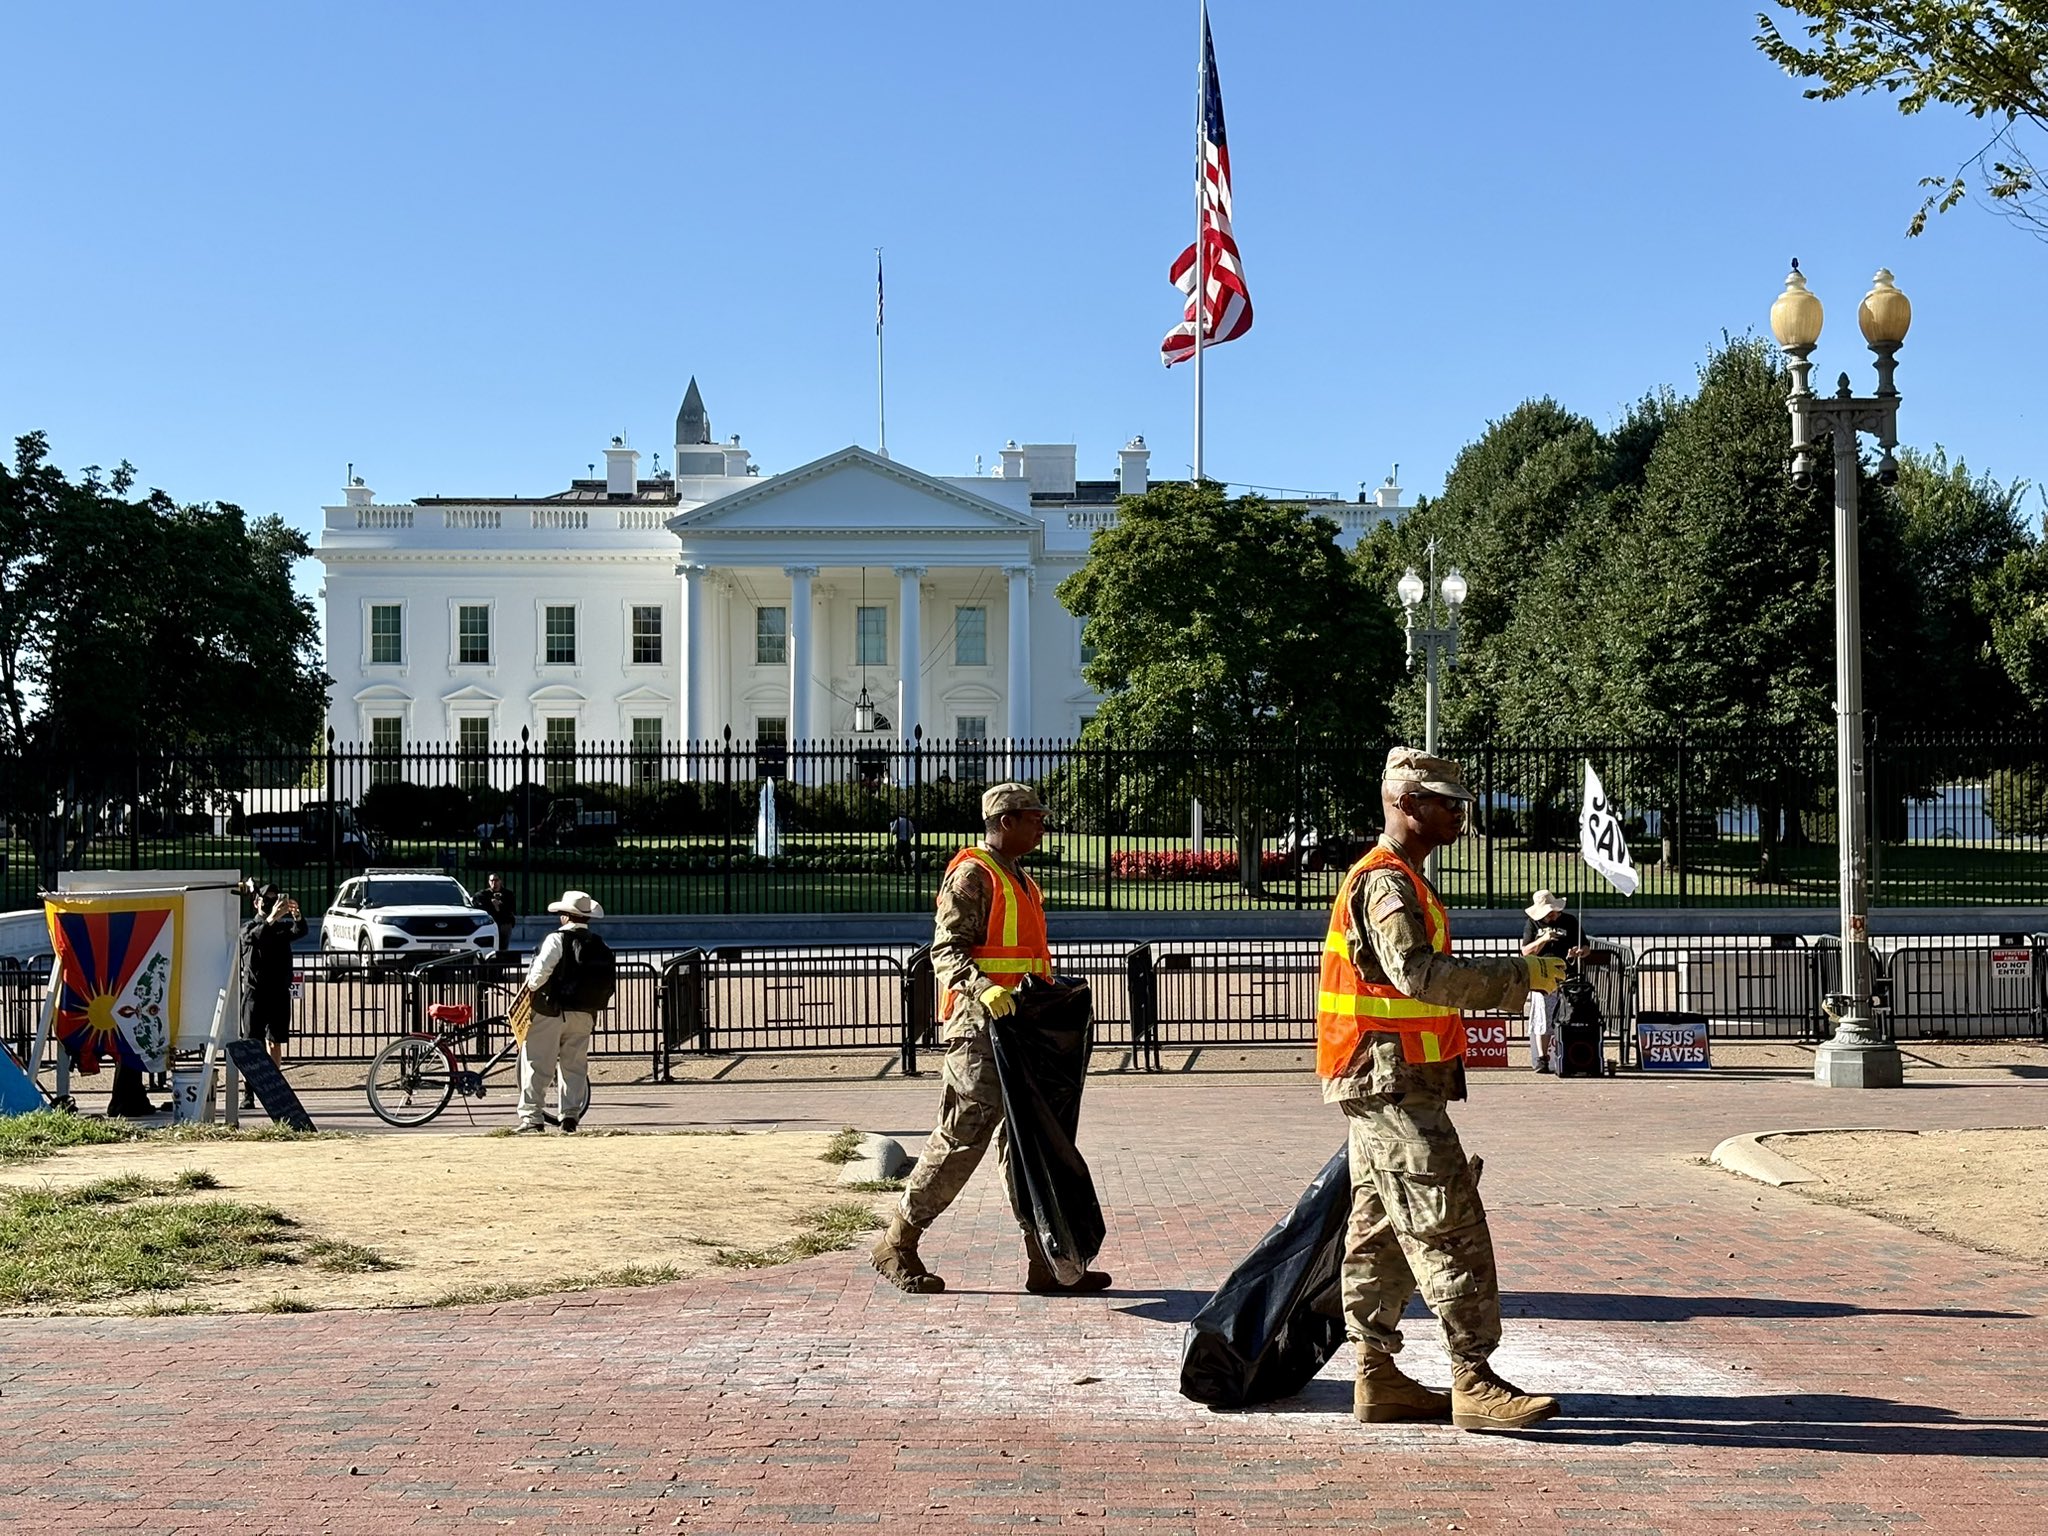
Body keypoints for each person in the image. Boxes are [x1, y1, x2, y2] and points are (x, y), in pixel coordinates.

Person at [1317, 748, 1567, 1433]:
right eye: (1444, 802)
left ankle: (1376, 1377)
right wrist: (1520, 978)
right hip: (1391, 1082)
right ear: (1405, 804)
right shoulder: (1387, 884)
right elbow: (1418, 975)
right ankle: (1473, 1378)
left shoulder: (1400, 879)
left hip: (1386, 1080)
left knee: (1378, 1231)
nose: (1458, 812)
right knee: (1448, 1225)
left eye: (1460, 802)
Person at [871, 782, 1110, 1297]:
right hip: (980, 1029)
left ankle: (1047, 1261)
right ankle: (897, 1242)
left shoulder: (1020, 879)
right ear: (1006, 821)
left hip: (1021, 1030)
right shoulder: (974, 875)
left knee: (1027, 1146)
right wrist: (984, 988)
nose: (1042, 826)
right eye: (1034, 818)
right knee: (963, 1135)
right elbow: (945, 950)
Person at [517, 889, 614, 1133]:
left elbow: (538, 975)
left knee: (538, 1063)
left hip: (551, 1011)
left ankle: (532, 1117)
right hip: (585, 1012)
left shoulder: (556, 939)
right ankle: (570, 1116)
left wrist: (529, 990)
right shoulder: (598, 943)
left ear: (564, 915)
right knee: (574, 1065)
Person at [237, 883, 306, 1109]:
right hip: (255, 994)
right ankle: (248, 1092)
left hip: (278, 993)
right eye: (266, 899)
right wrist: (271, 918)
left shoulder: (280, 928)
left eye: (274, 899)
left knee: (275, 1041)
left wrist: (296, 915)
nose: (270, 903)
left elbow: (300, 931)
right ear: (256, 903)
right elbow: (253, 937)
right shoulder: (249, 927)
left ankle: (274, 1089)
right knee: (252, 1044)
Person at [1521, 890, 1590, 1073]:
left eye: (1553, 912)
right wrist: (1543, 939)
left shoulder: (1569, 921)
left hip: (1567, 975)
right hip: (1543, 977)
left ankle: (1568, 1055)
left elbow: (1585, 946)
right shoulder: (1532, 923)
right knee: (1543, 1017)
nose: (1551, 916)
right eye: (1547, 914)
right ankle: (1542, 1058)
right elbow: (1526, 951)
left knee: (1569, 1016)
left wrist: (1579, 952)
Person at [477, 872, 518, 954]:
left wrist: (500, 905)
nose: (494, 883)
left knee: (503, 947)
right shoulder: (484, 894)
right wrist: (491, 904)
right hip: (491, 923)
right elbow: (479, 903)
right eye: (492, 880)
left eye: (496, 880)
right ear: (489, 882)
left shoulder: (508, 894)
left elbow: (511, 908)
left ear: (500, 881)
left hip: (504, 923)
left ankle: (502, 960)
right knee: (490, 947)